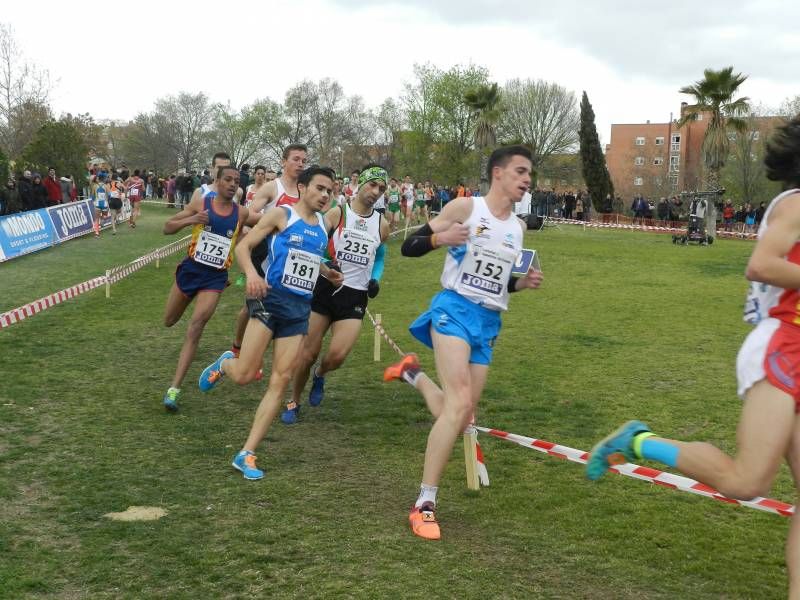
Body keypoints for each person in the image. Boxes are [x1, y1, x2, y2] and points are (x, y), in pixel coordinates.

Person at [586, 114, 800, 597]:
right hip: (781, 347)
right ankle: (639, 442)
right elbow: (761, 264)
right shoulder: (797, 204)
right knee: (747, 482)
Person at [383, 145, 544, 540]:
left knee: (463, 412)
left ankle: (413, 375)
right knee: (457, 405)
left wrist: (521, 284)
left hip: (488, 322)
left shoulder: (517, 229)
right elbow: (409, 246)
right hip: (453, 310)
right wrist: (440, 240)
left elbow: (500, 282)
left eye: (530, 174)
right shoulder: (465, 208)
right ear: (498, 173)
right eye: (521, 171)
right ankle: (424, 503)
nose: (527, 180)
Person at [197, 165, 343, 480]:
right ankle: (226, 364)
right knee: (246, 375)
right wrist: (251, 274)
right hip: (269, 299)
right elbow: (243, 247)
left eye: (329, 191)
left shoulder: (322, 225)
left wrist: (329, 273)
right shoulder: (282, 216)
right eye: (319, 188)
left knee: (280, 380)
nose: (324, 195)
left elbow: (309, 259)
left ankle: (247, 453)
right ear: (302, 188)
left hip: (299, 310)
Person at [283, 164, 390, 424]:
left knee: (337, 355)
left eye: (382, 189)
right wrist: (325, 264)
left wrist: (375, 278)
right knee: (307, 353)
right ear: (360, 183)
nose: (376, 192)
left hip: (355, 296)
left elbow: (381, 256)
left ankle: (320, 374)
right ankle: (294, 400)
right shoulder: (336, 213)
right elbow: (315, 245)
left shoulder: (382, 224)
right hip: (325, 288)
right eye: (372, 185)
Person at [160, 165, 250, 411]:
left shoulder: (241, 213)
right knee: (169, 320)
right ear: (217, 182)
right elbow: (167, 227)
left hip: (215, 278)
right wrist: (192, 219)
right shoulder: (202, 203)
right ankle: (176, 387)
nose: (232, 184)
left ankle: (174, 390)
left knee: (196, 327)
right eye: (228, 180)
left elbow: (264, 226)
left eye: (236, 181)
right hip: (191, 271)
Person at [229, 144, 309, 356]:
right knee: (253, 304)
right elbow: (248, 214)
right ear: (283, 161)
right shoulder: (272, 188)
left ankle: (271, 349)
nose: (300, 164)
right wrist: (274, 223)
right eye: (296, 159)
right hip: (264, 252)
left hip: (290, 256)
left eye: (304, 160)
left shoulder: (305, 191)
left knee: (282, 303)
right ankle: (236, 347)